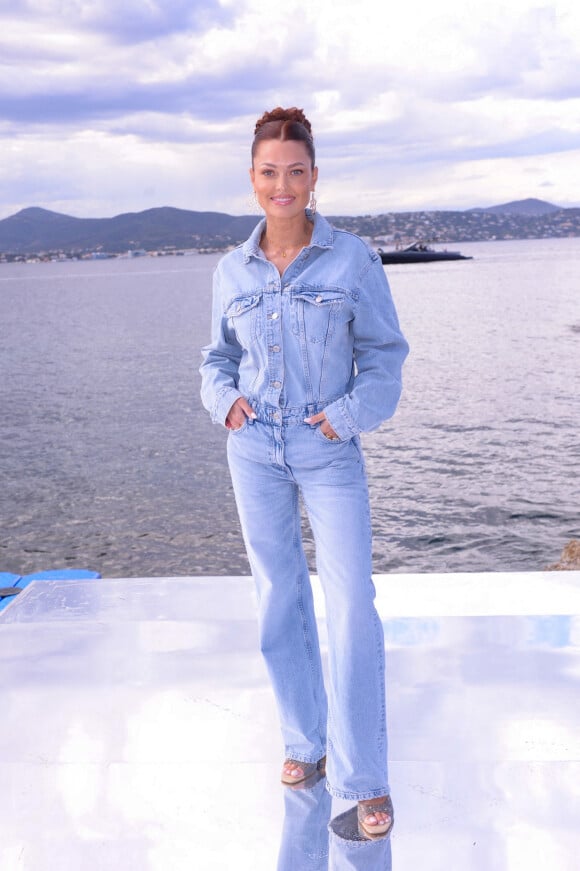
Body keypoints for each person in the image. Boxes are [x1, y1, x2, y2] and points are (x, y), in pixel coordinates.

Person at [200, 106, 408, 837]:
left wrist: (345, 417)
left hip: (327, 448)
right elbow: (216, 359)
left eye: (295, 172)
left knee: (351, 608)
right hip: (253, 448)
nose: (281, 185)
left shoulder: (352, 260)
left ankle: (365, 779)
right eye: (268, 172)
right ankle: (304, 743)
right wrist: (224, 401)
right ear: (252, 179)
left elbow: (385, 359)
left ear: (313, 178)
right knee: (277, 599)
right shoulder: (232, 269)